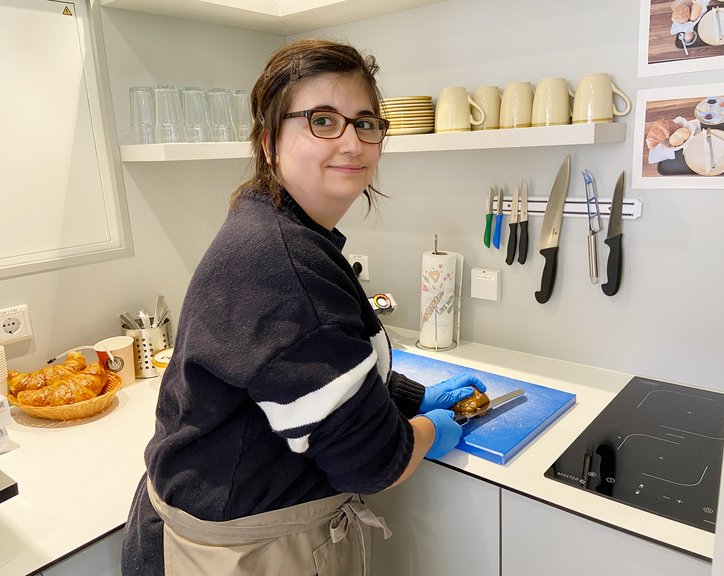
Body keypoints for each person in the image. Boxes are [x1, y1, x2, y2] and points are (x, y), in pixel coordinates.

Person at [121, 38, 485, 576]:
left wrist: (409, 398)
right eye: (322, 120)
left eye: (365, 122)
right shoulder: (283, 262)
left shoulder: (279, 227)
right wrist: (432, 429)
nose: (352, 141)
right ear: (269, 142)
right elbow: (371, 462)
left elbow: (305, 375)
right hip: (233, 553)